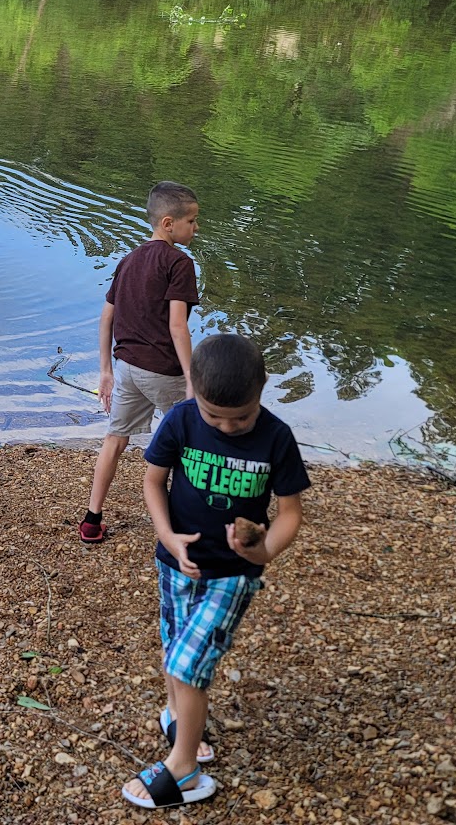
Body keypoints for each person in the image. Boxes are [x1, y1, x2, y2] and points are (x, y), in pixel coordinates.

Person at [121, 333, 310, 809]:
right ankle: (177, 715)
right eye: (215, 416)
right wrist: (167, 536)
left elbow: (289, 513)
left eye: (241, 418)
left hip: (233, 574)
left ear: (262, 388)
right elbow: (153, 481)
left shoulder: (276, 437)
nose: (227, 426)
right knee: (175, 646)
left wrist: (264, 551)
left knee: (189, 663)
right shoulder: (182, 419)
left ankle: (184, 769)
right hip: (176, 562)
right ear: (195, 391)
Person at [79, 181, 200, 544]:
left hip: (127, 368)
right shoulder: (180, 263)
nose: (196, 228)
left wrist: (106, 371)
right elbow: (177, 326)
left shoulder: (128, 260)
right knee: (188, 442)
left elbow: (106, 318)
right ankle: (185, 519)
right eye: (192, 221)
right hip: (164, 371)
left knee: (115, 439)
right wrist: (191, 378)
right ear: (168, 223)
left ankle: (91, 520)